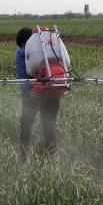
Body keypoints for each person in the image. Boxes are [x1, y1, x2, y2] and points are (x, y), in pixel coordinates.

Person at [15, 27, 62, 160]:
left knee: (26, 126)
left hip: (33, 96)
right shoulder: (49, 50)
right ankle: (51, 159)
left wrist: (28, 93)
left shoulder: (22, 52)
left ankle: (23, 157)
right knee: (49, 126)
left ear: (22, 41)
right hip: (53, 92)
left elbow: (23, 76)